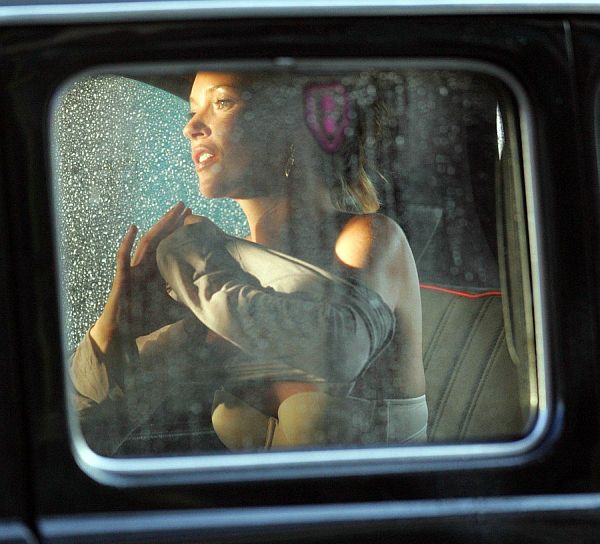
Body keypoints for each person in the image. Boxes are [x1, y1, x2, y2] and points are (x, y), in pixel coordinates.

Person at [69, 70, 427, 454]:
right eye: (192, 111)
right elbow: (87, 425)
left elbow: (339, 348)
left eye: (222, 102)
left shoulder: (369, 239)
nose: (191, 127)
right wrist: (116, 325)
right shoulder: (221, 276)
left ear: (291, 124)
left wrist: (184, 257)